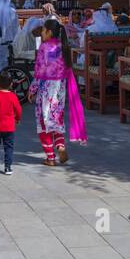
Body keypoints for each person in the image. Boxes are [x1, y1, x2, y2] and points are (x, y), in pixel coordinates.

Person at [28, 18, 86, 166]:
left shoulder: (44, 47)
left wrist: (32, 89)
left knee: (43, 121)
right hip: (60, 89)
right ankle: (60, 145)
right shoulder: (63, 46)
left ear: (49, 32)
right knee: (56, 119)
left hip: (46, 88)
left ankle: (50, 157)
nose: (41, 33)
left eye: (43, 30)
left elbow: (39, 71)